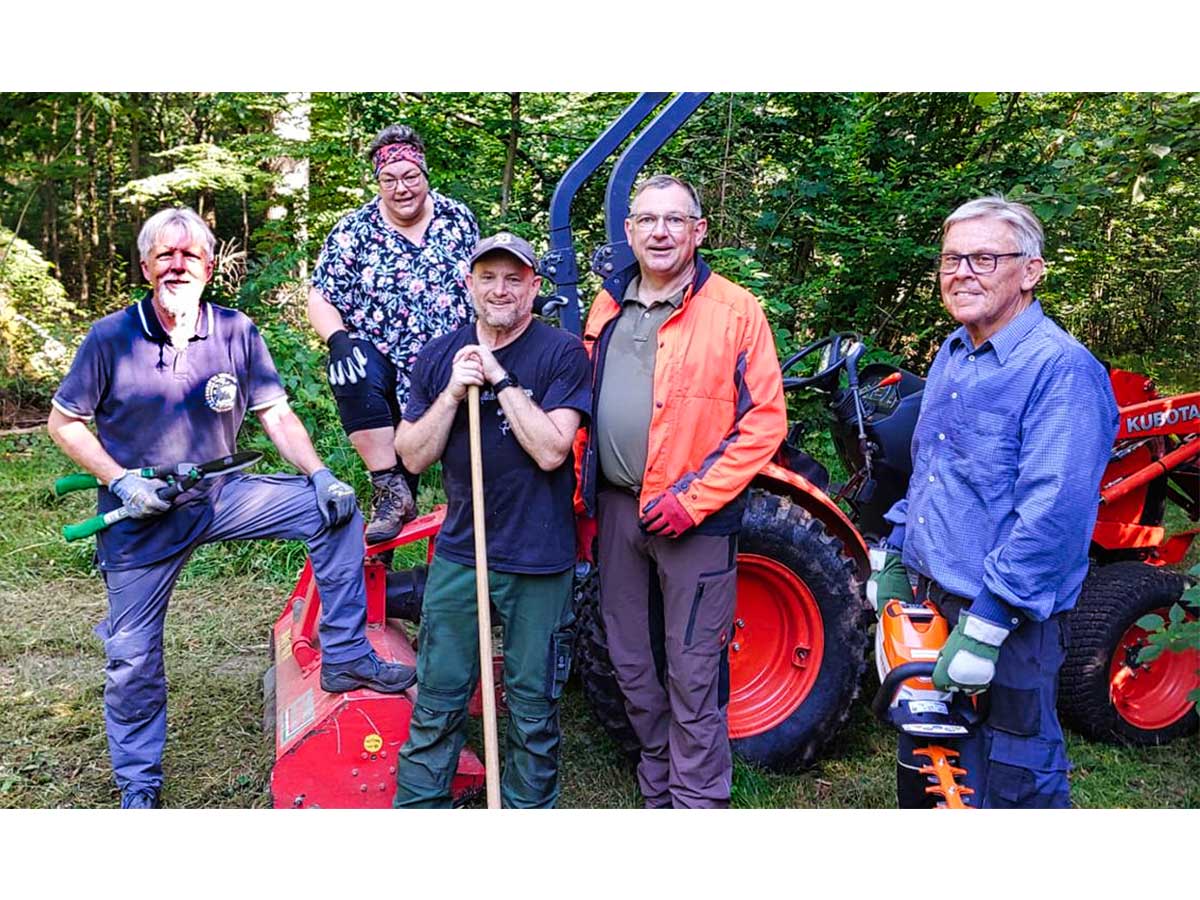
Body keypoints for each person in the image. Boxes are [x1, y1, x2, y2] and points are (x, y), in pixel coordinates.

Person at [47, 207, 416, 810]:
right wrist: (121, 482)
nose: (178, 265)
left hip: (221, 497)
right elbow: (66, 424)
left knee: (335, 512)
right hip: (143, 519)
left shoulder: (236, 331)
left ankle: (346, 655)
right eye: (165, 255)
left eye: (190, 255)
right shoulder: (110, 338)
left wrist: (320, 474)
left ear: (210, 266)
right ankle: (139, 785)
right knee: (131, 659)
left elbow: (274, 414)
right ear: (146, 266)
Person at [867, 196, 1119, 808]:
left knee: (1011, 778)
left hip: (1007, 622)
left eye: (985, 257)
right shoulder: (954, 353)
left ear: (1031, 271)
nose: (962, 273)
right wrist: (899, 551)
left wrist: (988, 623)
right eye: (952, 259)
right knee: (935, 769)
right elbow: (933, 471)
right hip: (934, 602)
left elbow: (1053, 515)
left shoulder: (1060, 370)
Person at [572, 175, 787, 808]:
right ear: (630, 231)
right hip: (615, 510)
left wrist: (693, 498)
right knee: (629, 658)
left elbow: (765, 421)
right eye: (647, 220)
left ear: (698, 231)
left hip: (695, 518)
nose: (660, 232)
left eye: (674, 220)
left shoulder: (735, 310)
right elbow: (589, 405)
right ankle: (659, 781)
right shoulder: (607, 304)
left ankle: (698, 801)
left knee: (693, 668)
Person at [392, 232, 590, 808]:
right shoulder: (439, 357)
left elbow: (553, 450)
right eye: (488, 277)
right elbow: (411, 454)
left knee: (533, 708)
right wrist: (454, 391)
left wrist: (501, 381)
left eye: (513, 278)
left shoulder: (561, 354)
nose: (499, 289)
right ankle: (419, 815)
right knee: (437, 700)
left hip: (540, 558)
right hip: (462, 554)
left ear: (533, 286)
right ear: (469, 284)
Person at [308, 123, 479, 544]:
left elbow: (483, 280)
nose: (401, 188)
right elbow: (321, 296)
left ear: (424, 174)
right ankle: (390, 489)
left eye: (410, 177)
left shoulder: (457, 218)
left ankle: (473, 535)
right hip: (382, 360)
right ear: (378, 182)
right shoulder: (354, 231)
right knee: (350, 369)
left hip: (450, 357)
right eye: (390, 179)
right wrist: (338, 339)